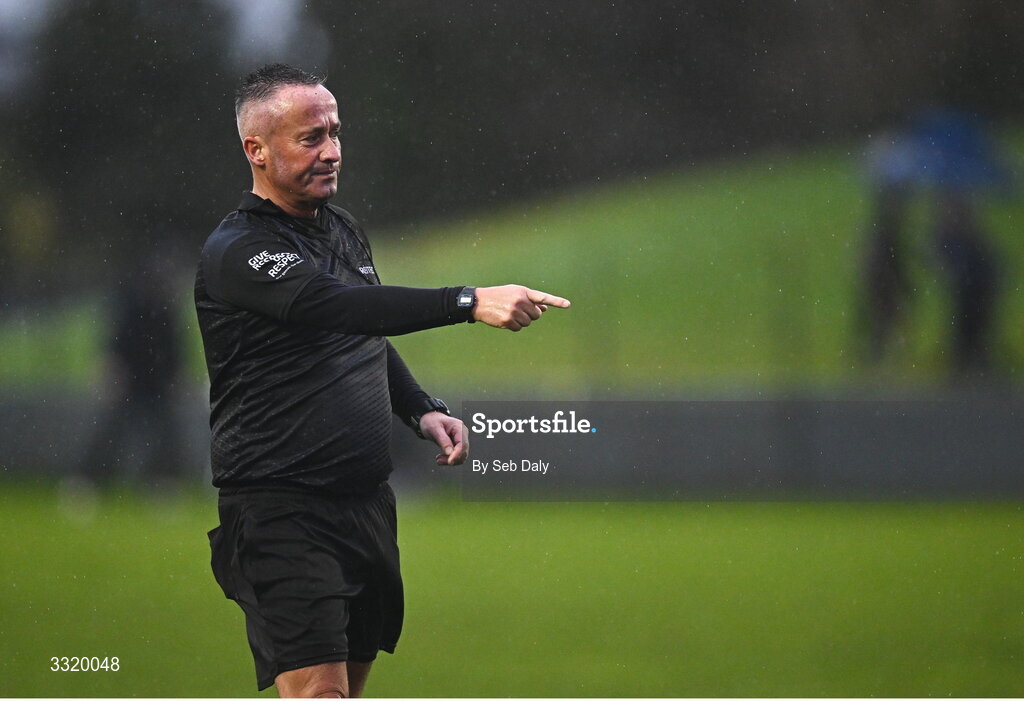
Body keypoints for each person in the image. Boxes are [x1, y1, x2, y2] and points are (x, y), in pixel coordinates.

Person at [194, 63, 570, 698]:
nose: (333, 151)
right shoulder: (241, 250)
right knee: (321, 694)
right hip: (282, 508)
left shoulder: (340, 229)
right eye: (310, 138)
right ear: (255, 150)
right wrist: (468, 300)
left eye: (335, 132)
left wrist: (420, 407)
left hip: (365, 502)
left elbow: (360, 328)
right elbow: (337, 308)